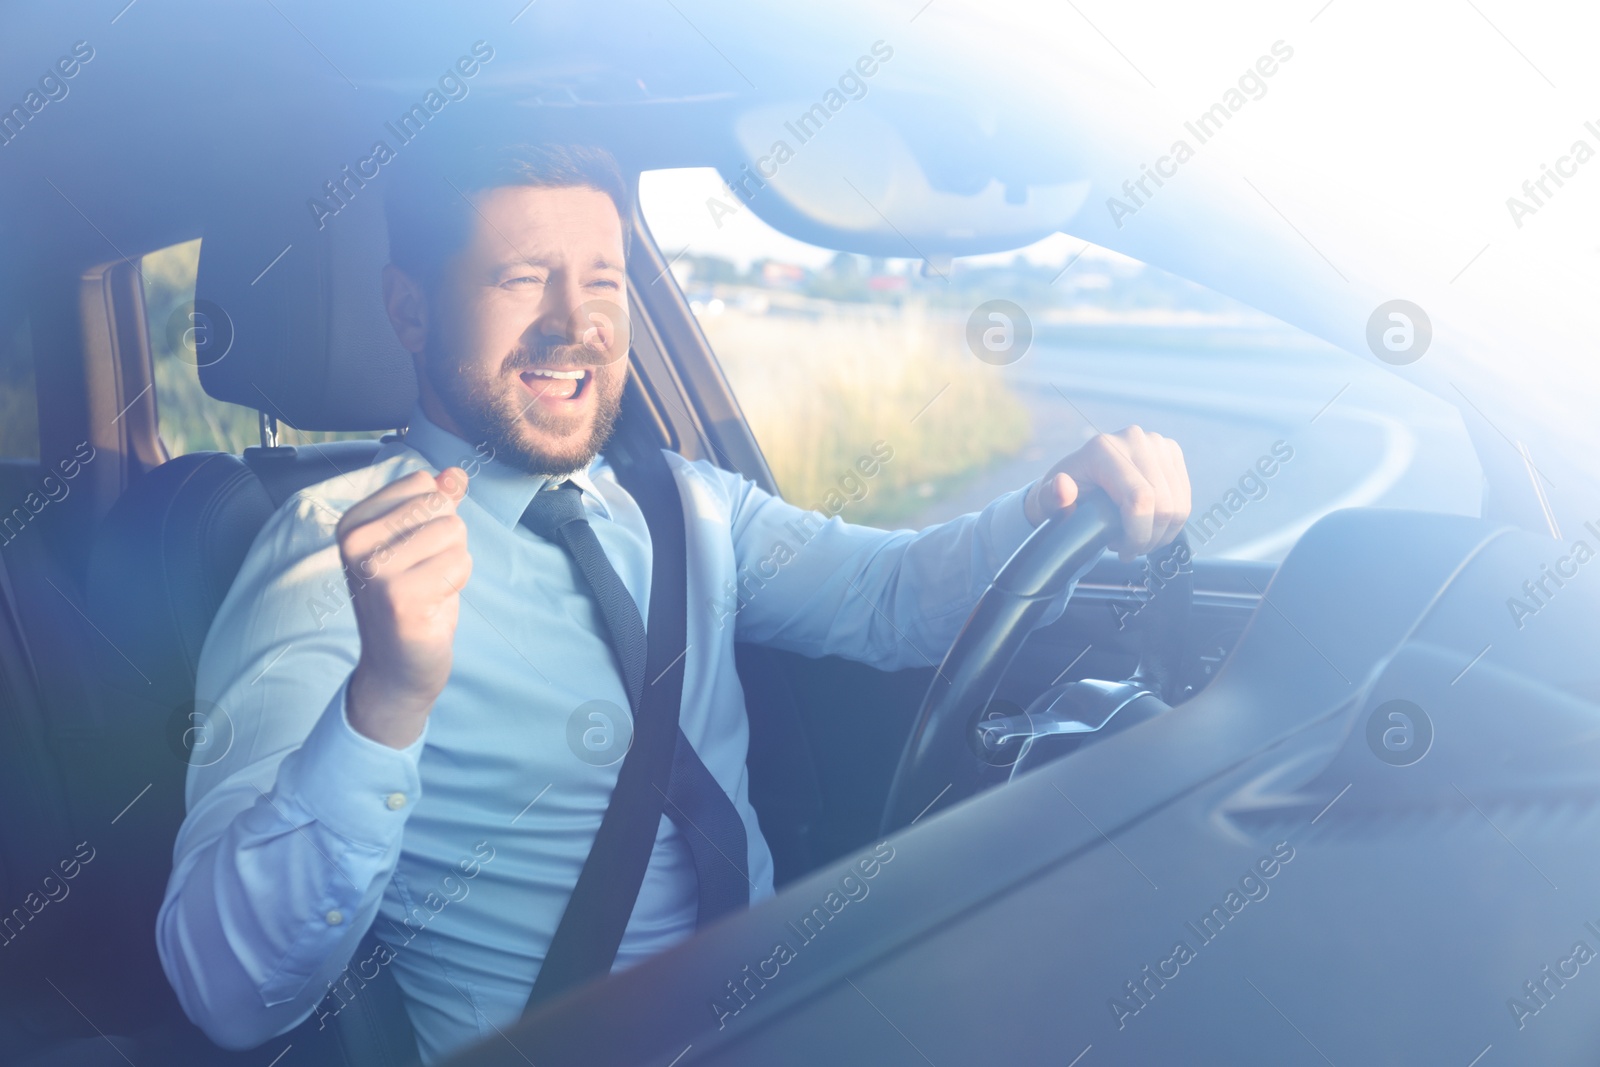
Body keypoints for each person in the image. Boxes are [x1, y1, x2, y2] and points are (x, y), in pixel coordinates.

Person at [156, 142, 1191, 1064]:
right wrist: (384, 700)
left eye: (601, 280)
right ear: (410, 310)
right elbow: (228, 995)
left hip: (785, 1014)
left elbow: (889, 597)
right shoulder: (337, 552)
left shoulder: (686, 501)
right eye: (522, 277)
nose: (576, 322)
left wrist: (1052, 505)